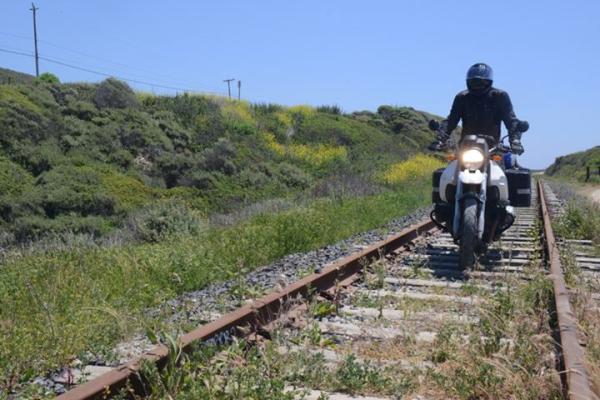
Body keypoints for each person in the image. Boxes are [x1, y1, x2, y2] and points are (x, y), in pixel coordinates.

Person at [429, 63, 526, 154]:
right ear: (468, 82)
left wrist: (515, 140)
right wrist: (440, 139)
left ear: (489, 82)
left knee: (506, 168)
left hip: (493, 148)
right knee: (447, 171)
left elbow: (511, 120)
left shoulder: (500, 97)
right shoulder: (462, 97)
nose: (477, 86)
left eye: (481, 83)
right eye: (474, 82)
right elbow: (451, 121)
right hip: (466, 148)